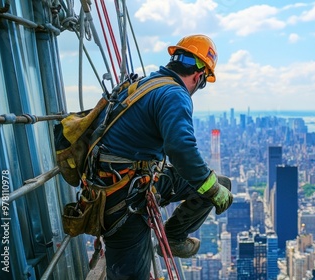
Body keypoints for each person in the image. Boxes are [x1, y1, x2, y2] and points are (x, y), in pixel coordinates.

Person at [87, 34, 233, 279]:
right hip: (122, 198)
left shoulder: (145, 84)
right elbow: (181, 148)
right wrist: (212, 191)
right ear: (199, 76)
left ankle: (173, 236)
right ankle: (172, 235)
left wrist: (212, 186)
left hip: (122, 181)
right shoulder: (175, 94)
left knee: (221, 183)